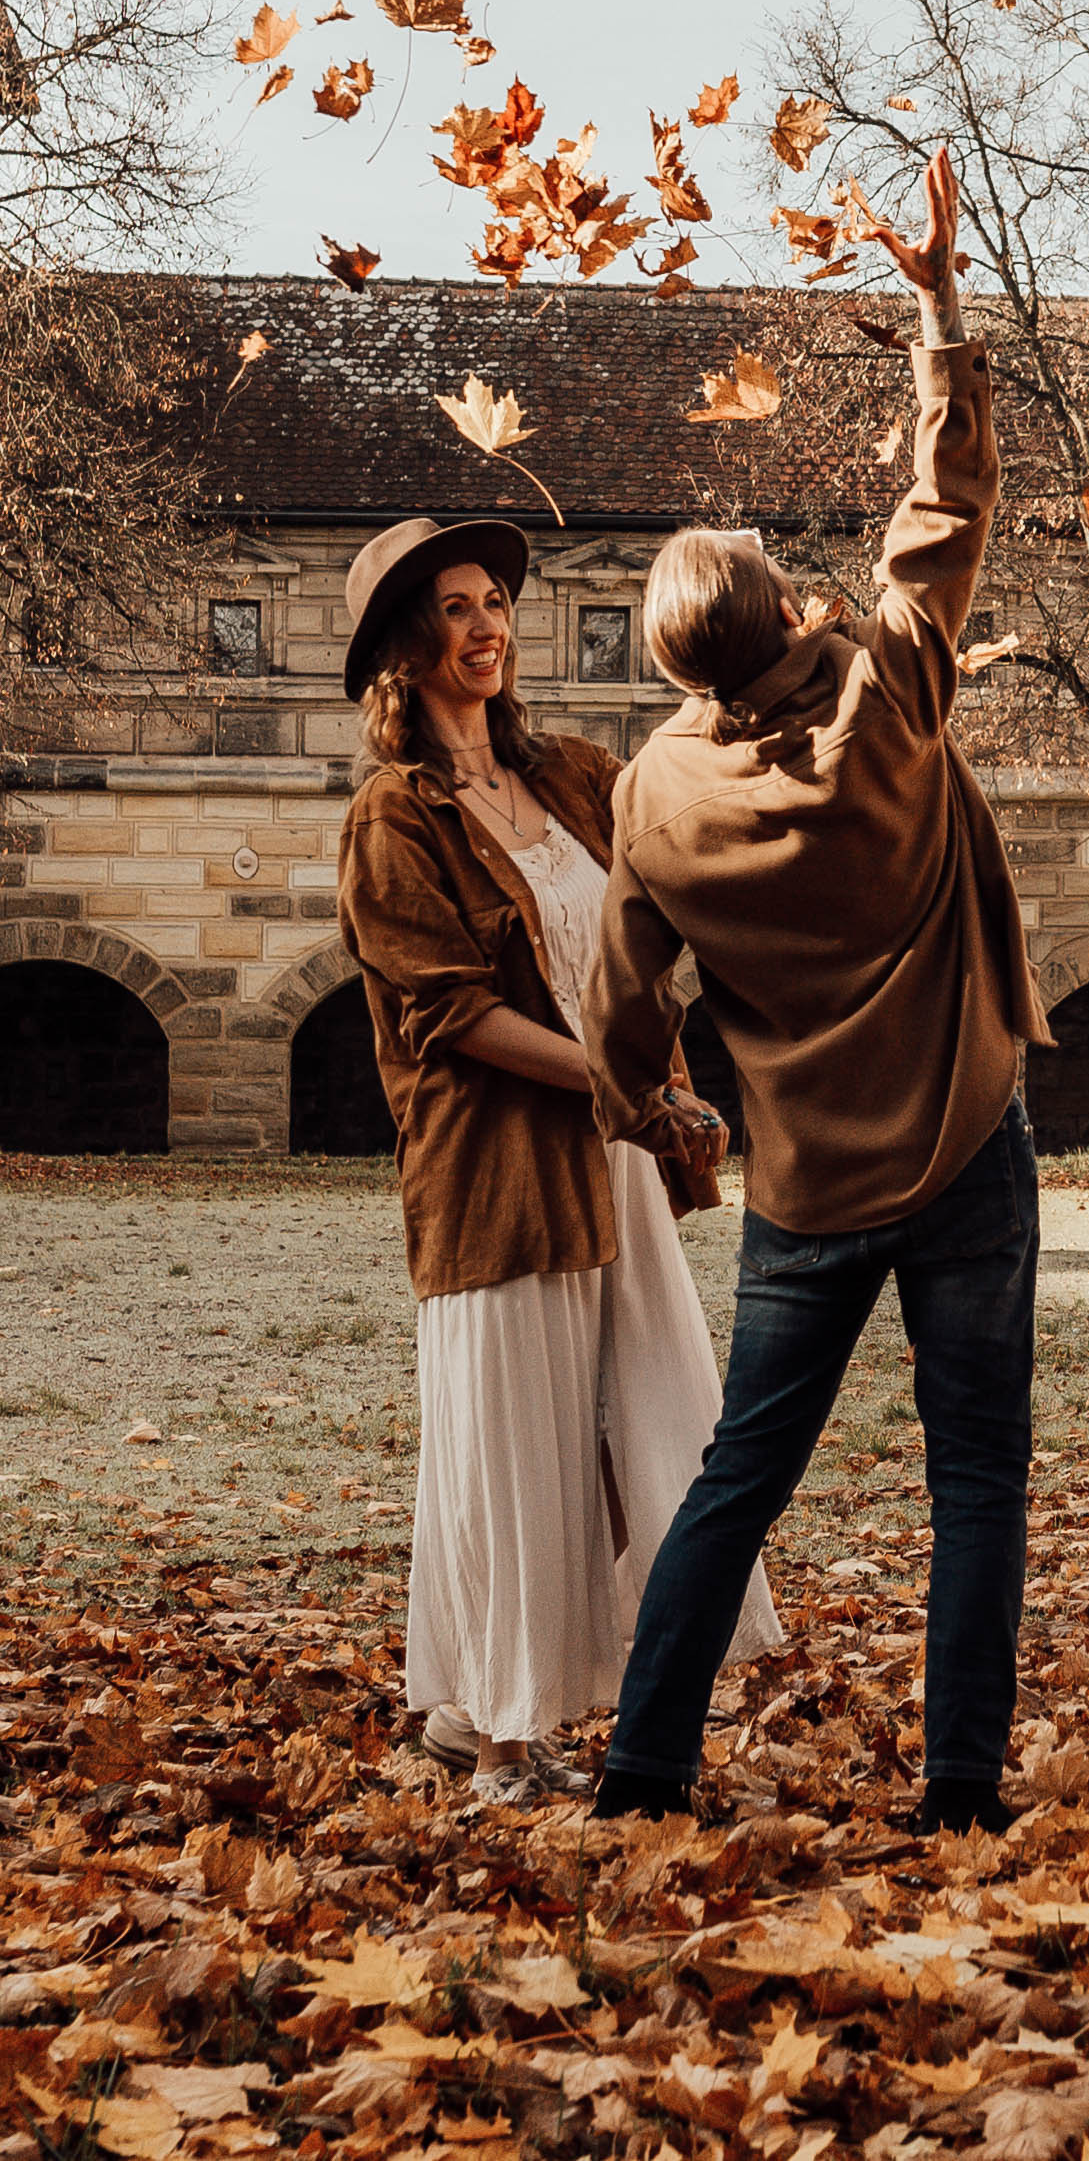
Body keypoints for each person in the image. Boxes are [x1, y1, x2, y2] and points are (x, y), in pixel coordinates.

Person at [579, 144, 1053, 1832]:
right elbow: (945, 514)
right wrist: (934, 304)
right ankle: (961, 1794)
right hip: (967, 1151)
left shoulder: (656, 796)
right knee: (975, 1477)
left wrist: (667, 1121)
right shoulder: (888, 708)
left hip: (805, 1186)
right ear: (784, 606)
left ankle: (644, 1769)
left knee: (740, 1479)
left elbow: (621, 1004)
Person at [335, 511, 780, 1807]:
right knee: (510, 1436)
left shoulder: (580, 777)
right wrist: (619, 1082)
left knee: (658, 1422)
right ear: (408, 649)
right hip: (498, 1172)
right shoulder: (393, 817)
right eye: (455, 609)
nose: (486, 626)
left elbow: (688, 852)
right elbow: (452, 1015)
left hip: (621, 1160)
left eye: (492, 603)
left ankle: (627, 1702)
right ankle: (506, 1736)